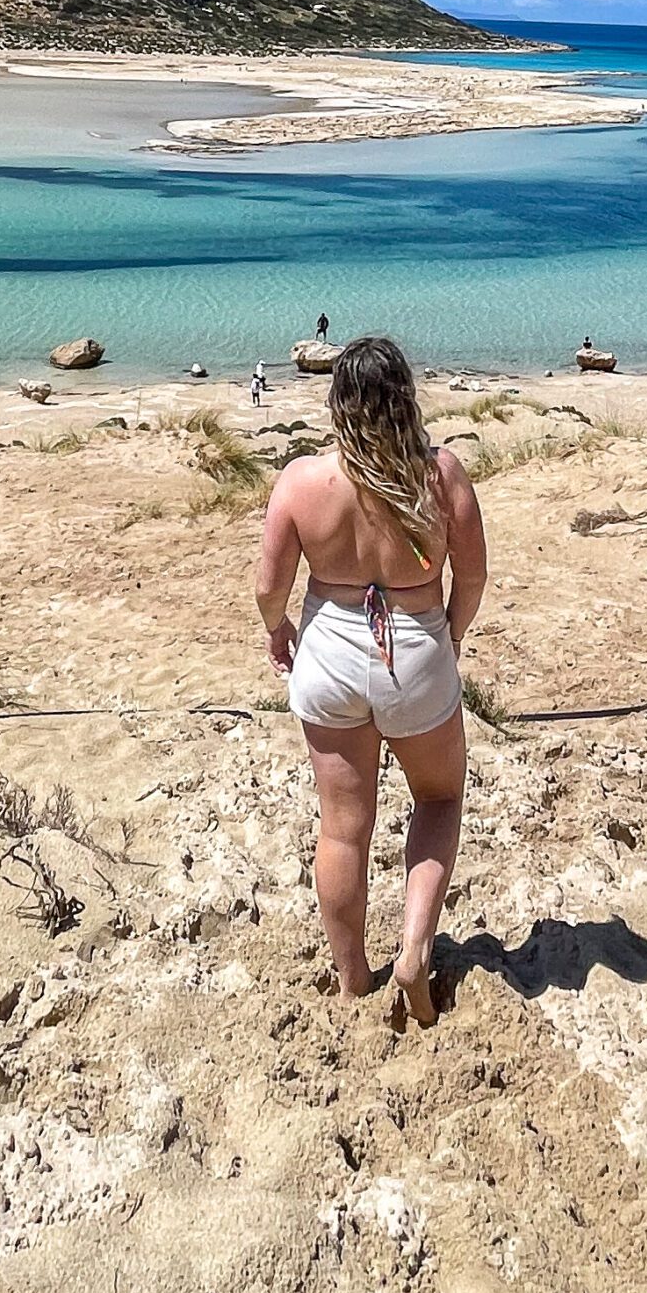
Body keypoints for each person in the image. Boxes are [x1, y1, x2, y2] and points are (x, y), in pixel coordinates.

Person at [255, 333, 486, 1026]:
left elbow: (270, 587)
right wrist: (448, 633)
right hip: (413, 643)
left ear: (338, 404)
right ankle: (414, 949)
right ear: (405, 398)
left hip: (329, 647)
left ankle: (354, 977)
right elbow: (471, 578)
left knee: (344, 827)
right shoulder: (440, 476)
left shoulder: (303, 481)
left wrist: (278, 629)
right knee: (439, 798)